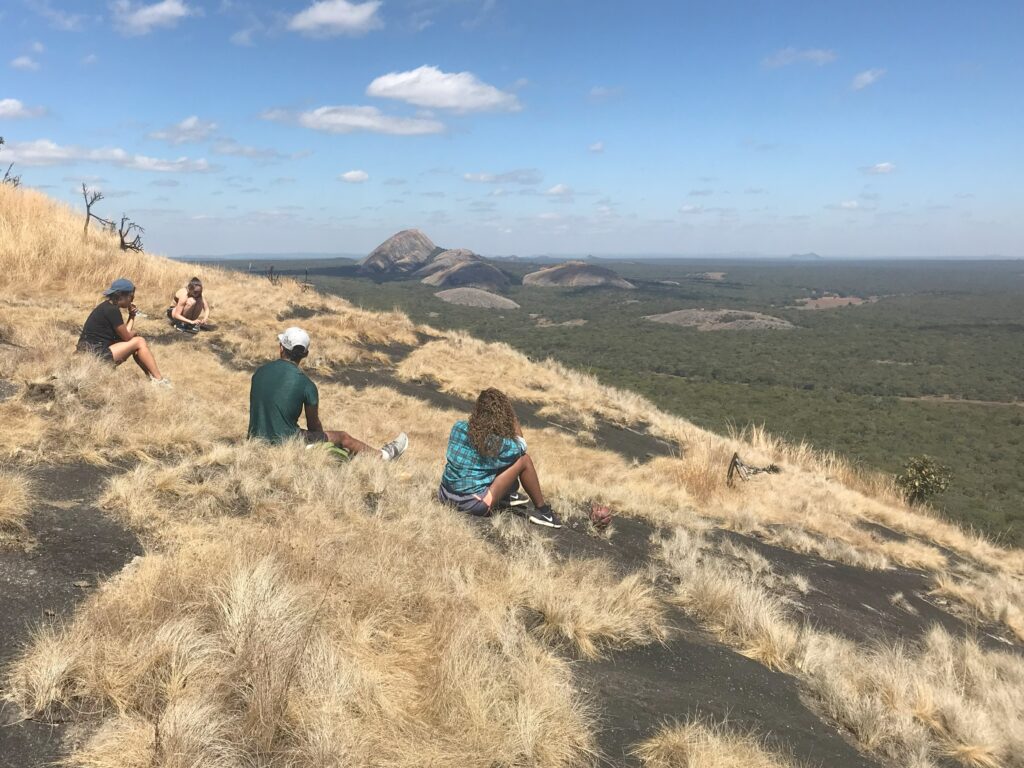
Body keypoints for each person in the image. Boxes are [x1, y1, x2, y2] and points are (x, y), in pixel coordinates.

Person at [248, 326, 408, 460]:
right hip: (284, 443)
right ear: (305, 354)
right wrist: (321, 440)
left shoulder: (259, 373)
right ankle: (384, 456)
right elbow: (314, 426)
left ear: (281, 347)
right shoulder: (306, 384)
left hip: (255, 440)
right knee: (343, 437)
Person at [438, 388, 561, 528]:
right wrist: (512, 416)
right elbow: (521, 445)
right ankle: (544, 512)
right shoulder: (497, 443)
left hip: (445, 494)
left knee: (493, 460)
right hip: (473, 503)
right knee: (524, 460)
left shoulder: (458, 427)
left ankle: (506, 495)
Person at [76, 278, 172, 388]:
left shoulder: (107, 306)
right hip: (96, 354)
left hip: (89, 351)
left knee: (136, 343)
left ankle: (151, 377)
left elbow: (124, 336)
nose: (132, 301)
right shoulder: (112, 310)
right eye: (132, 297)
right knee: (139, 341)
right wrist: (135, 332)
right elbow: (127, 337)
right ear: (121, 296)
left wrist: (132, 316)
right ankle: (159, 380)